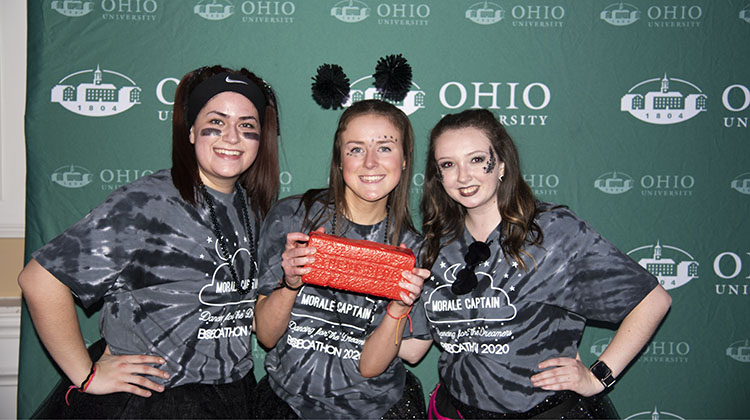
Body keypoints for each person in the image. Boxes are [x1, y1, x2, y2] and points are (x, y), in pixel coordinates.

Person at [17, 65, 280, 419]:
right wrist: (87, 374)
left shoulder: (251, 208)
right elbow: (39, 279)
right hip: (157, 402)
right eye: (216, 123)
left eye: (246, 126)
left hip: (232, 396)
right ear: (190, 132)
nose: (231, 137)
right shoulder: (149, 201)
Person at [414, 109, 672, 419]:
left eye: (477, 159)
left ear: (502, 165)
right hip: (452, 410)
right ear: (438, 175)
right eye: (448, 164)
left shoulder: (552, 232)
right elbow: (416, 346)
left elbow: (654, 300)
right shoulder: (438, 243)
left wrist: (598, 377)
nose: (463, 176)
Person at [253, 99, 430, 419]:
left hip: (378, 407)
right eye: (356, 149)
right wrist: (290, 283)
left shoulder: (413, 250)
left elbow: (375, 365)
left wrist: (399, 309)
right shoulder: (292, 217)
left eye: (385, 148)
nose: (371, 162)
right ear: (339, 159)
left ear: (405, 159)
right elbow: (265, 336)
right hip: (289, 403)